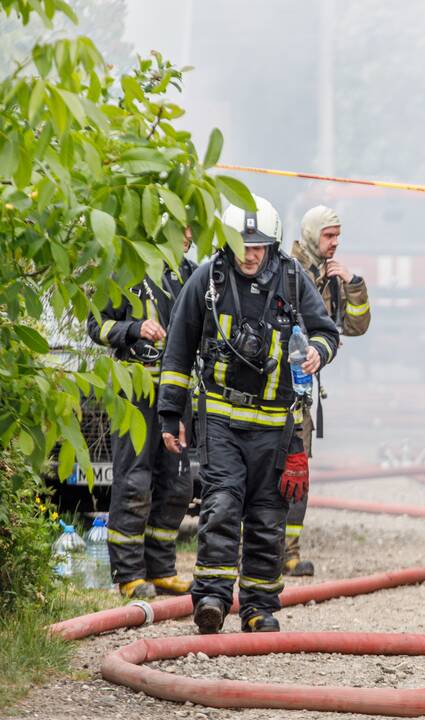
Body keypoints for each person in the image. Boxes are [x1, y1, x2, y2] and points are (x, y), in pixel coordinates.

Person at [158, 196, 340, 634]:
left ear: (273, 245)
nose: (250, 253)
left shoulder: (293, 281)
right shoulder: (208, 280)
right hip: (221, 418)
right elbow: (178, 349)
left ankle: (259, 608)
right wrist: (170, 414)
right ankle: (213, 601)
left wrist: (316, 351)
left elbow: (327, 331)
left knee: (267, 516)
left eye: (258, 245)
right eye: (242, 243)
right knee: (220, 506)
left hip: (277, 425)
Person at [86, 231, 198, 599]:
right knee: (134, 483)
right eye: (180, 231)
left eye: (190, 231)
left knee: (177, 485)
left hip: (177, 394)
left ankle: (161, 569)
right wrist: (135, 329)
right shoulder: (126, 270)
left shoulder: (191, 275)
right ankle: (129, 574)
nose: (188, 237)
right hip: (134, 393)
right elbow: (96, 326)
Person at [282, 205, 372, 576]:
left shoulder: (333, 278)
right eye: (329, 236)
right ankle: (258, 550)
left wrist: (353, 284)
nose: (335, 243)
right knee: (266, 472)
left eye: (337, 235)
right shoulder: (287, 271)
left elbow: (354, 326)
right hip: (275, 388)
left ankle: (287, 552)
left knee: (298, 471)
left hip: (302, 391)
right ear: (311, 235)